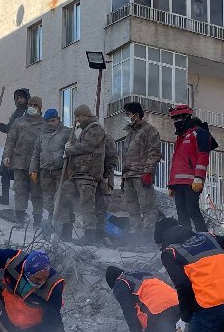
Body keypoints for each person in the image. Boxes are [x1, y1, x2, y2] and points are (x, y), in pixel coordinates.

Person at [56, 105, 107, 243]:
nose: (77, 120)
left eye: (79, 116)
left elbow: (87, 146)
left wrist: (70, 149)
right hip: (78, 174)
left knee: (87, 204)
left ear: (86, 115)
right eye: (76, 117)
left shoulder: (96, 129)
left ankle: (89, 236)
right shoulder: (84, 131)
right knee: (64, 195)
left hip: (89, 174)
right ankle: (66, 229)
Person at [119, 101, 163, 246]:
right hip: (129, 176)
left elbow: (154, 153)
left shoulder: (150, 131)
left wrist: (148, 172)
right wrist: (123, 176)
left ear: (136, 115)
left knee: (147, 208)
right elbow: (126, 155)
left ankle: (147, 240)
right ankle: (134, 240)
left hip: (141, 175)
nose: (126, 117)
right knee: (132, 209)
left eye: (128, 114)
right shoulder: (130, 133)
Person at [168, 105, 214, 233]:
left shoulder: (199, 133)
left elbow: (203, 156)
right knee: (182, 213)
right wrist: (172, 184)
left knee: (192, 209)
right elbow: (177, 163)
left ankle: (205, 237)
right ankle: (186, 239)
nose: (176, 122)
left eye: (179, 118)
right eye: (174, 119)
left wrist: (199, 178)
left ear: (186, 117)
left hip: (192, 182)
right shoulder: (180, 138)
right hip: (178, 184)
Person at [3, 96, 44, 223]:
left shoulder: (44, 124)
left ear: (40, 107)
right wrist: (7, 155)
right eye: (31, 104)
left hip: (36, 165)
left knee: (37, 193)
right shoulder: (19, 122)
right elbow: (10, 140)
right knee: (20, 190)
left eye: (35, 105)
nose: (32, 107)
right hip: (19, 162)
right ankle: (20, 218)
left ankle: (38, 219)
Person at [30, 109, 72, 228]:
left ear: (58, 119)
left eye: (53, 120)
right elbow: (36, 153)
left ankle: (65, 228)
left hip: (61, 172)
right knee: (48, 200)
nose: (51, 123)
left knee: (62, 200)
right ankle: (51, 224)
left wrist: (71, 168)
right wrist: (33, 169)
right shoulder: (42, 134)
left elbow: (74, 152)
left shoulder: (67, 133)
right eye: (48, 121)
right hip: (45, 172)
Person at [0, 88, 30, 204]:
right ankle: (5, 197)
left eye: (22, 97)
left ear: (27, 98)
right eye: (17, 98)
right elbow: (9, 129)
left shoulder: (29, 112)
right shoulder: (16, 112)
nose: (19, 100)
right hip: (11, 147)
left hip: (22, 148)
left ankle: (23, 200)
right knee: (5, 171)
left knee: (21, 174)